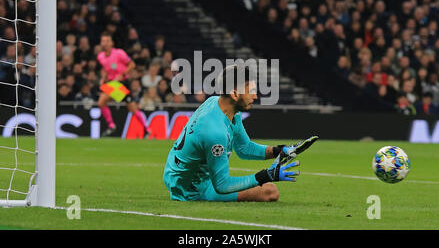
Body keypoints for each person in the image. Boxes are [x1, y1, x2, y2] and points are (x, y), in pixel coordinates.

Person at [163, 65, 318, 202]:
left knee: (268, 188)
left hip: (178, 174)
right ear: (235, 94)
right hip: (190, 189)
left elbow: (244, 148)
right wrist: (266, 175)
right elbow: (222, 185)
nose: (255, 96)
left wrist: (281, 151)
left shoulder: (218, 104)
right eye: (250, 91)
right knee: (270, 191)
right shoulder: (215, 133)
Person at [96, 32, 150, 137]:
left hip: (122, 84)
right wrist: (103, 78)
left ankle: (146, 130)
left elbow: (132, 64)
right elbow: (104, 69)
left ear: (112, 43)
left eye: (107, 41)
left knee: (132, 109)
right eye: (103, 41)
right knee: (102, 102)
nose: (105, 43)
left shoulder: (119, 53)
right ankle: (111, 125)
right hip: (112, 84)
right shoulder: (100, 56)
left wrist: (122, 74)